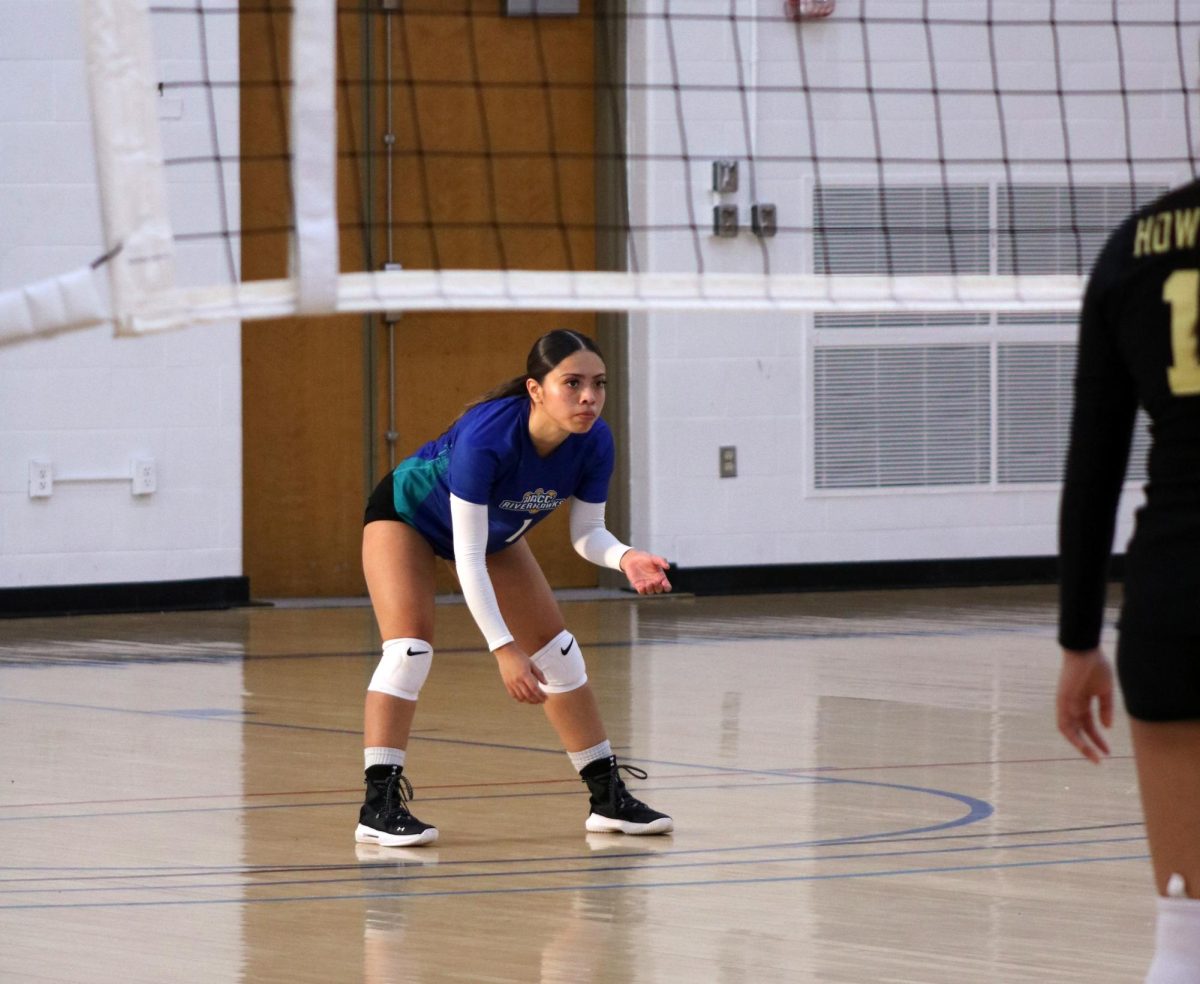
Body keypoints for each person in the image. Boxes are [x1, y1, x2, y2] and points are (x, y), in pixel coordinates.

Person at [356, 328, 674, 848]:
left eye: (599, 384)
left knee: (560, 654)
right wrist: (504, 649)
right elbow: (466, 555)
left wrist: (625, 558)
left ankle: (607, 800)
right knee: (408, 650)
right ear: (535, 390)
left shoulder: (595, 441)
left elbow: (587, 533)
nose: (589, 397)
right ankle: (378, 806)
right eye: (572, 383)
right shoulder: (489, 436)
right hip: (409, 516)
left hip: (493, 532)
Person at [1057, 180, 1200, 980]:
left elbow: (1093, 469)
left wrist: (1079, 641)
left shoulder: (1133, 248)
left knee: (1185, 930)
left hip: (1173, 596)